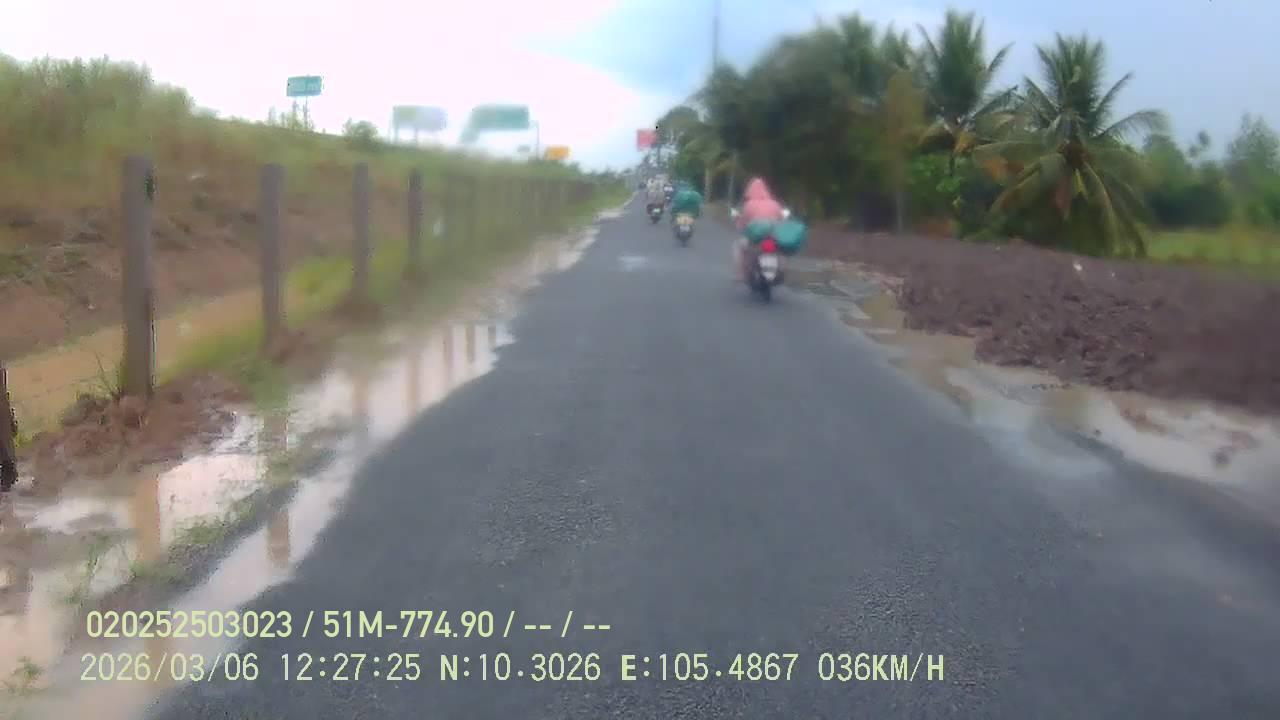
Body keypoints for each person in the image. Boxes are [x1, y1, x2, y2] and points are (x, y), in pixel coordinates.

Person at [733, 177, 786, 281]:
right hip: (773, 237)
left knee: (739, 247)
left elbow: (742, 223)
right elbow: (782, 221)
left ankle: (741, 274)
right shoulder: (775, 204)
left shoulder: (749, 205)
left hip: (756, 238)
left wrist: (739, 225)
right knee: (781, 251)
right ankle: (781, 270)